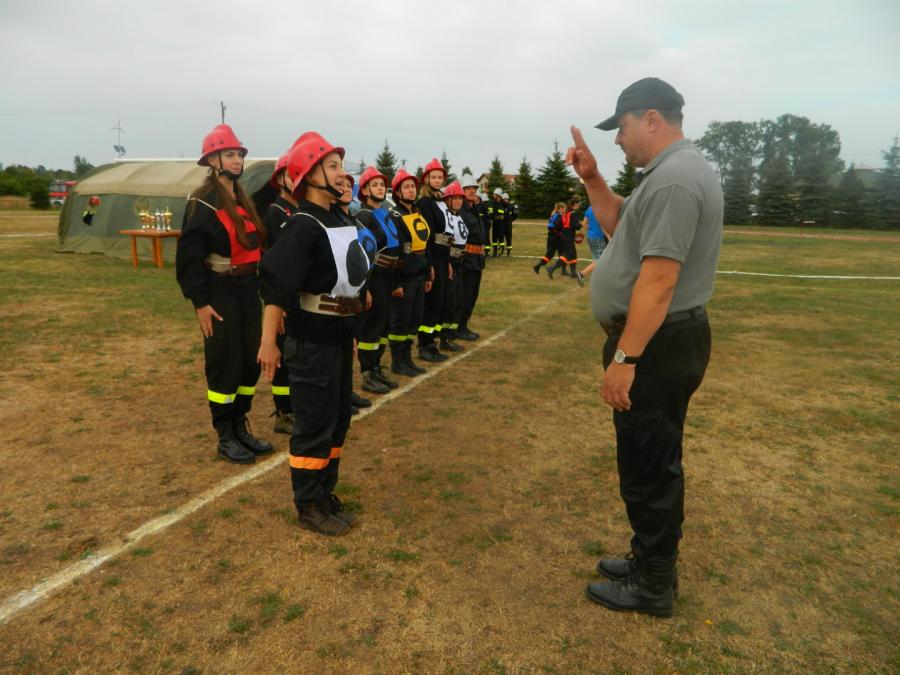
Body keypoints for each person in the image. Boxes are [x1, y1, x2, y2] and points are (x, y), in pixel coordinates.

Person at [567, 77, 723, 617]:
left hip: (656, 344)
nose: (617, 139)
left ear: (651, 119)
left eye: (622, 127)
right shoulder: (668, 174)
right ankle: (649, 561)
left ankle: (653, 584)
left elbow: (658, 280)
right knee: (649, 457)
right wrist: (592, 179)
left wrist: (624, 359)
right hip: (663, 340)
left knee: (649, 467)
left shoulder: (675, 179)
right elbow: (619, 225)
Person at [257, 131, 368, 537]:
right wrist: (268, 342)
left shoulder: (339, 218)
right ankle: (308, 505)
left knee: (337, 421)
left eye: (341, 165)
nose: (342, 173)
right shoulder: (302, 225)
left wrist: (349, 328)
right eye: (333, 166)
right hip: (312, 341)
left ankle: (324, 492)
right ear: (309, 174)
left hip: (337, 336)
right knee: (315, 424)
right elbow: (276, 286)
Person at [175, 123, 274, 465]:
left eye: (239, 154)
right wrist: (200, 303)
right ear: (212, 160)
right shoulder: (202, 201)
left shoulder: (242, 198)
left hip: (247, 290)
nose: (237, 160)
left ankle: (240, 423)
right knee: (224, 362)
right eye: (229, 154)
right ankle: (225, 434)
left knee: (248, 360)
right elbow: (188, 259)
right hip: (219, 294)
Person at [354, 166, 402, 395]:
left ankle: (376, 367)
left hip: (389, 276)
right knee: (371, 327)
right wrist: (366, 287)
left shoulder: (385, 214)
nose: (380, 188)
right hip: (375, 277)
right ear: (364, 190)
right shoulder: (363, 217)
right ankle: (367, 372)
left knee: (383, 326)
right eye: (374, 185)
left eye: (382, 184)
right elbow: (363, 254)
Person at [262, 152, 297, 434]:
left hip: (300, 295)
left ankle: (297, 406)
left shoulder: (301, 211)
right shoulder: (276, 213)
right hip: (284, 298)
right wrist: (279, 304)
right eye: (290, 174)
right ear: (280, 179)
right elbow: (275, 262)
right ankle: (284, 413)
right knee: (283, 357)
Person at [387, 169, 431, 377]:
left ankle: (407, 359)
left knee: (414, 319)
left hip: (419, 274)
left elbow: (424, 245)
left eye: (413, 186)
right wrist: (396, 282)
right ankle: (398, 361)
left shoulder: (417, 213)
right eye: (406, 187)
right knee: (400, 321)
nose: (411, 190)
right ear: (397, 192)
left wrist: (427, 272)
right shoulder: (395, 216)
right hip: (404, 277)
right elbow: (395, 251)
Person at [416, 157, 450, 363]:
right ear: (426, 179)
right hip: (433, 258)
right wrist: (429, 265)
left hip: (442, 257)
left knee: (440, 303)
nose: (437, 180)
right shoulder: (425, 203)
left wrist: (447, 261)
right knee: (432, 304)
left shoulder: (440, 201)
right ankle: (424, 345)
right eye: (433, 177)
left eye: (440, 177)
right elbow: (428, 236)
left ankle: (432, 343)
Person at [437, 180, 468, 352]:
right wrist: (452, 256)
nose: (458, 201)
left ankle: (451, 334)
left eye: (460, 198)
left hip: (460, 264)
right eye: (454, 198)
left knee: (457, 301)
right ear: (447, 200)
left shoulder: (459, 216)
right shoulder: (446, 217)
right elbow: (442, 240)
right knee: (449, 302)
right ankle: (444, 338)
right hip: (450, 263)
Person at [455, 173, 486, 340]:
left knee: (473, 295)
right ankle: (459, 328)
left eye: (474, 188)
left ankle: (463, 325)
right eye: (468, 189)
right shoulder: (460, 211)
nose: (472, 191)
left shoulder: (474, 209)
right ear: (462, 191)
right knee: (464, 296)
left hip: (477, 261)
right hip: (466, 260)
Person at [545, 197, 584, 285]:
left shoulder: (566, 213)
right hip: (569, 235)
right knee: (567, 254)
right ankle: (551, 268)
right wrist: (580, 224)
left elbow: (558, 224)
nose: (579, 206)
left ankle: (573, 273)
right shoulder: (573, 214)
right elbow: (576, 226)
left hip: (564, 234)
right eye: (578, 204)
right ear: (575, 205)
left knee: (573, 253)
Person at [532, 202, 565, 275]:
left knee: (549, 254)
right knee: (563, 254)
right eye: (563, 209)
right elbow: (557, 226)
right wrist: (561, 233)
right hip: (556, 238)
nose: (564, 210)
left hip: (550, 237)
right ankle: (563, 270)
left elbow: (550, 226)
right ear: (561, 208)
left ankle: (538, 266)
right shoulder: (559, 216)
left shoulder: (553, 214)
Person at [579, 204, 609, 278]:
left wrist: (591, 228)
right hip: (598, 237)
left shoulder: (589, 208)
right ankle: (582, 273)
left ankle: (598, 276)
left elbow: (584, 223)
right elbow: (602, 226)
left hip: (590, 237)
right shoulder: (600, 209)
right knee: (601, 259)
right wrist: (609, 237)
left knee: (596, 258)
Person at [487, 187, 507, 256]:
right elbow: (492, 213)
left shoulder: (503, 203)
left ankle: (501, 248)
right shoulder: (493, 203)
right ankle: (495, 251)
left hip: (501, 224)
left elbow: (505, 214)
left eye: (494, 194)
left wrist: (501, 216)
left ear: (498, 195)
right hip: (495, 223)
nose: (493, 195)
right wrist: (494, 216)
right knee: (494, 237)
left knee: (501, 237)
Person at [501, 191, 517, 256]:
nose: (505, 200)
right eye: (504, 199)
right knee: (501, 237)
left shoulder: (511, 206)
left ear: (508, 199)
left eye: (506, 199)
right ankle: (501, 249)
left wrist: (511, 220)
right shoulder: (500, 205)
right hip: (501, 224)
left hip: (508, 224)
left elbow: (515, 214)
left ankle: (509, 250)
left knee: (508, 237)